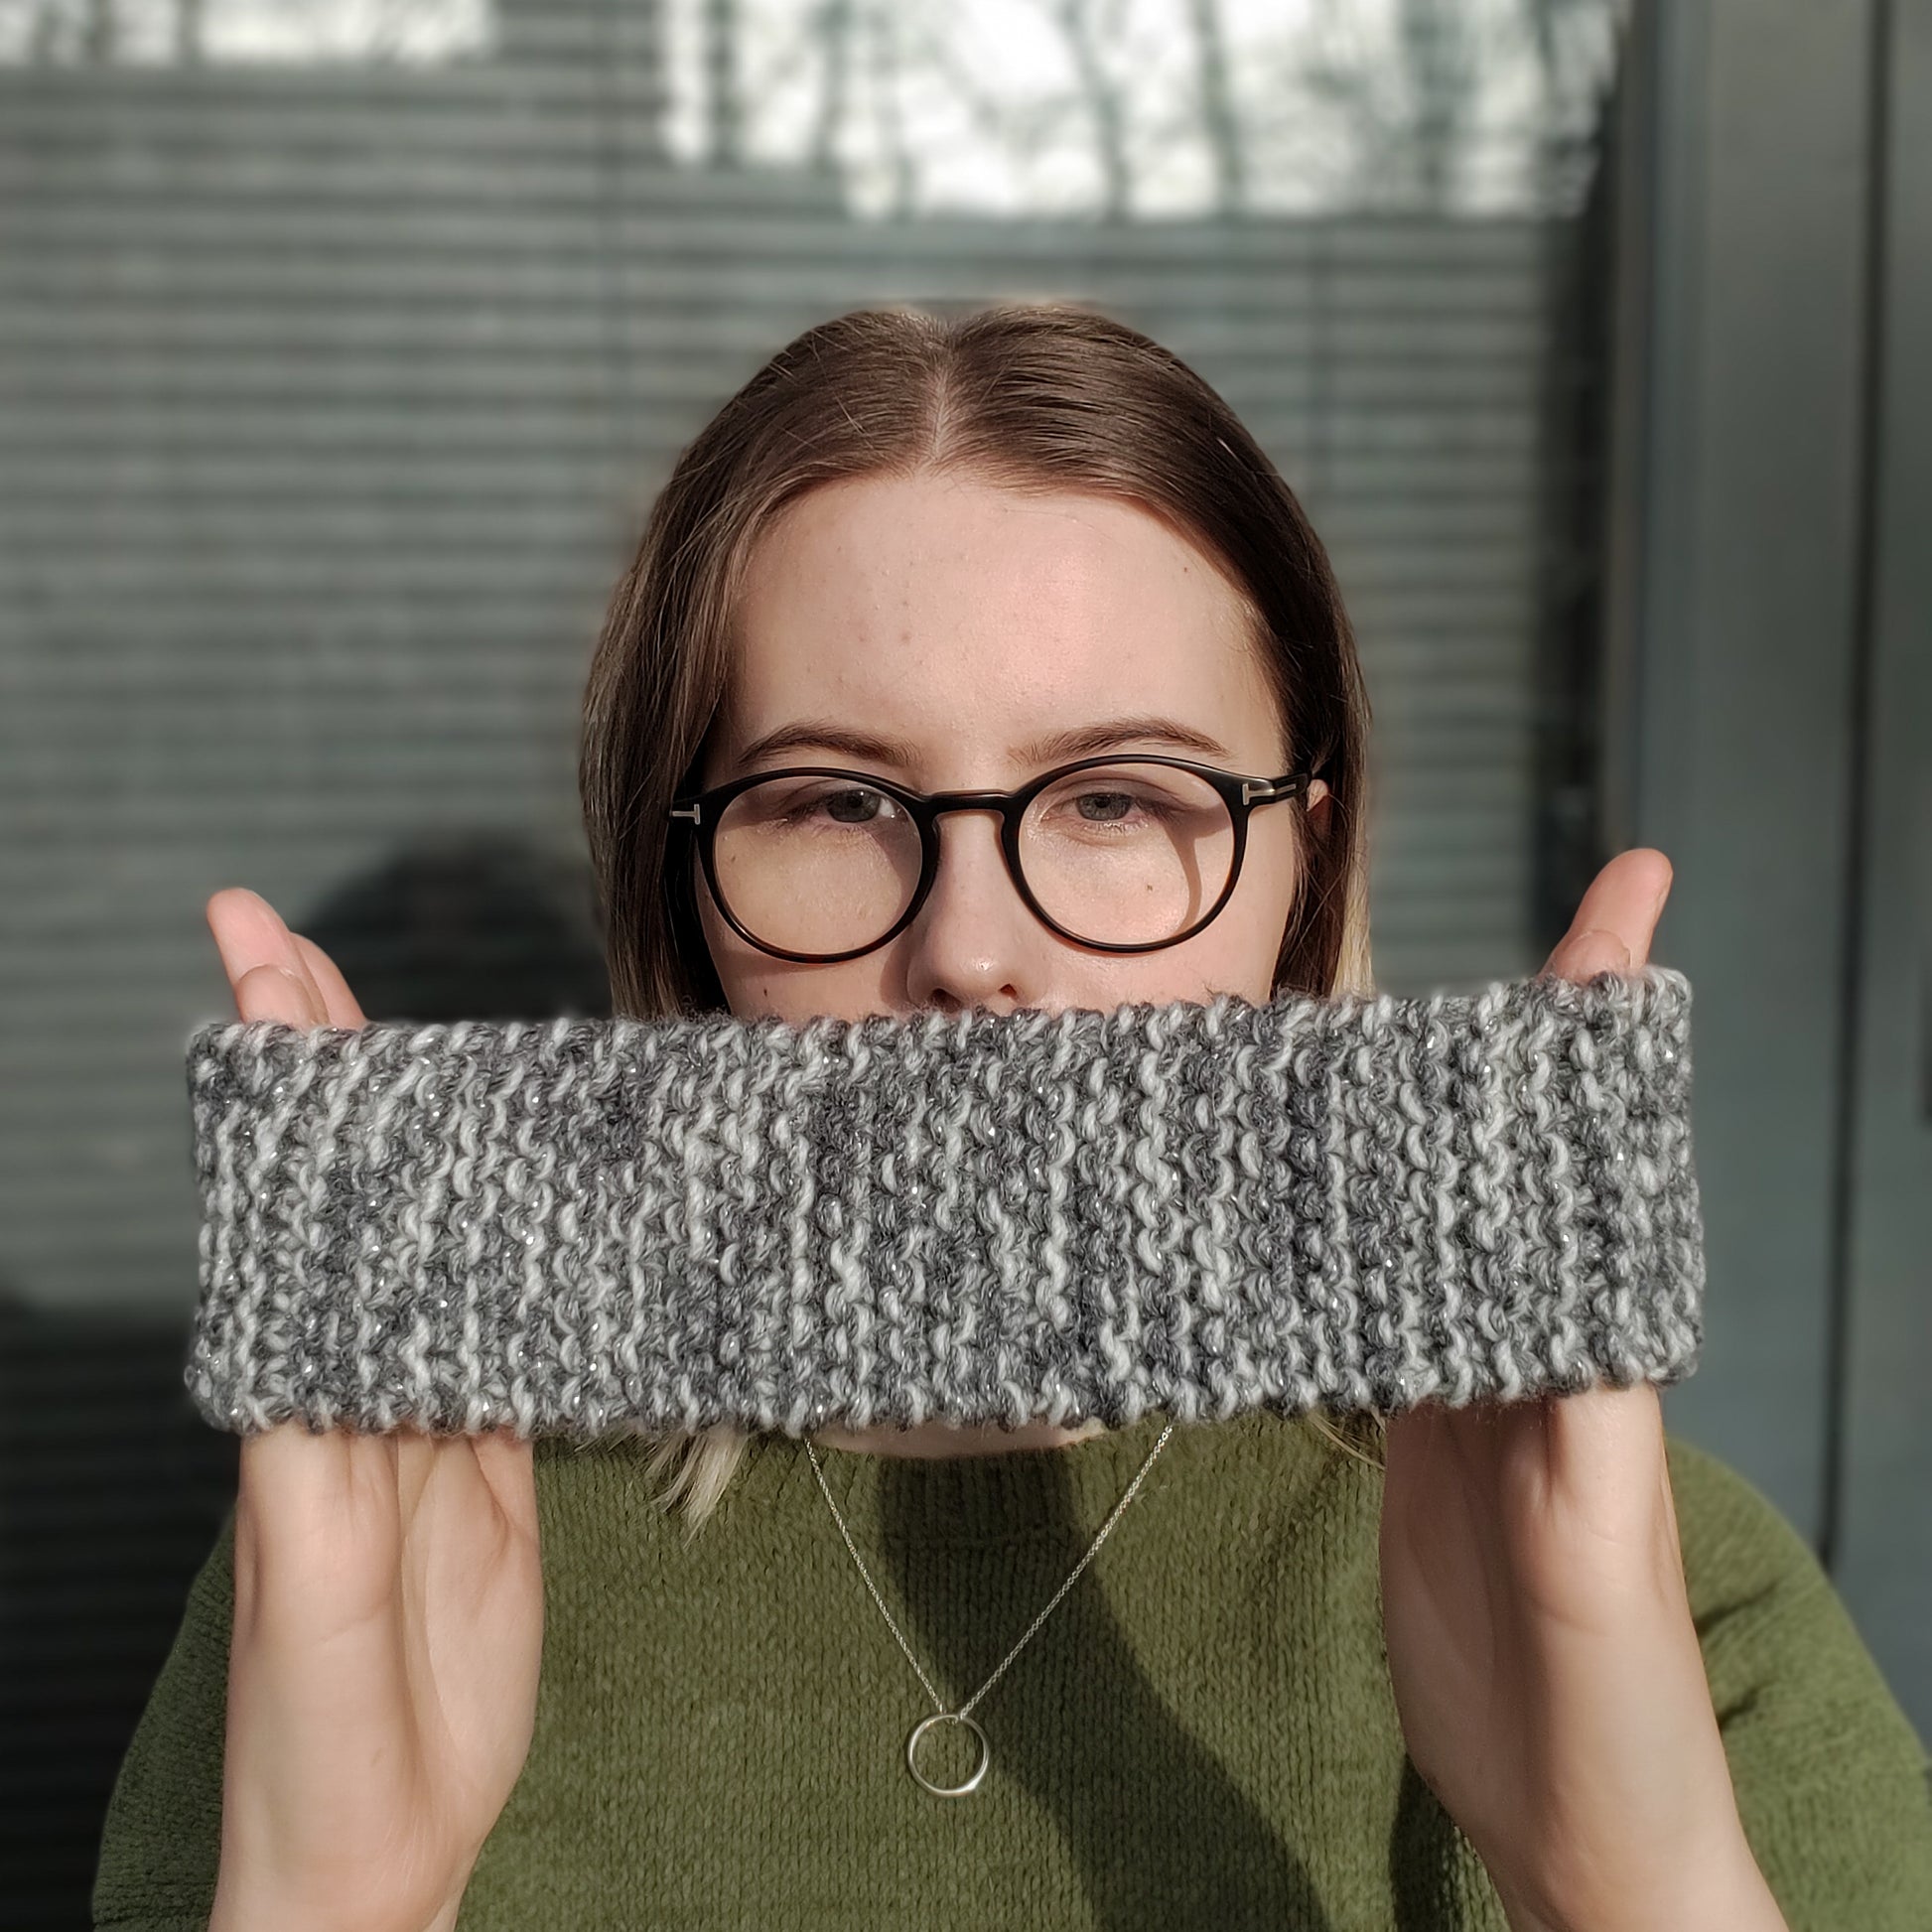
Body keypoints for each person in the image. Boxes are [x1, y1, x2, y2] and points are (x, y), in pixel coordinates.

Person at [93, 305, 1932, 1932]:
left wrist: (1616, 1882)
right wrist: (338, 1905)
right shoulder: (363, 1601)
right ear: (683, 900)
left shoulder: (1658, 1600)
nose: (972, 953)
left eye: (1119, 800)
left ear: (1309, 857)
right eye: (828, 802)